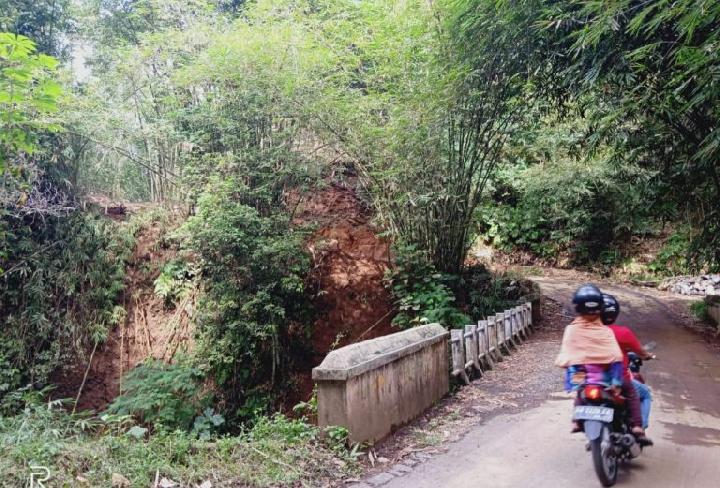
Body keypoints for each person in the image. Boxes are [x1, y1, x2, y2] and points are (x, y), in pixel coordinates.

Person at [555, 284, 624, 433]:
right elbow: (615, 356)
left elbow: (569, 357)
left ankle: (576, 420)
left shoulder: (571, 330)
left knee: (578, 388)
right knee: (617, 365)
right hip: (604, 378)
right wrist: (616, 382)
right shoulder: (605, 331)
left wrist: (574, 384)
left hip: (582, 377)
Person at [601, 294, 654, 443]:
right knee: (643, 394)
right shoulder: (623, 332)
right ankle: (638, 427)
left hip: (594, 377)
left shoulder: (591, 332)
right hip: (618, 378)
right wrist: (647, 355)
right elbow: (641, 352)